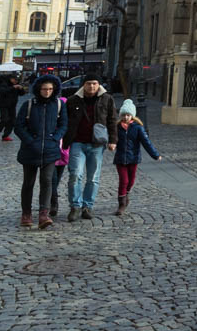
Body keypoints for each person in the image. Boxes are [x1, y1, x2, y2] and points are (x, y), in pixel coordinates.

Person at [14, 75, 67, 228]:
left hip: (50, 150)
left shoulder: (58, 105)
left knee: (47, 181)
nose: (47, 92)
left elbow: (63, 125)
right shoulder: (29, 104)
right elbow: (19, 126)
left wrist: (55, 138)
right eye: (44, 89)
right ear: (39, 89)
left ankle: (44, 213)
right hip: (30, 151)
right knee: (28, 183)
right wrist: (30, 141)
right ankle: (26, 213)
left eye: (50, 89)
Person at [63, 75, 117, 222]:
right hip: (77, 142)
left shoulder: (107, 99)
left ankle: (87, 206)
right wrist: (64, 139)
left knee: (93, 178)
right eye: (88, 83)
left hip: (97, 144)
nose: (92, 86)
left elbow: (112, 120)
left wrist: (113, 140)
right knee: (75, 175)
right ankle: (75, 206)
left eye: (94, 83)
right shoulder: (73, 100)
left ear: (99, 84)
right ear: (83, 85)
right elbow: (65, 120)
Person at [112, 99, 161, 215]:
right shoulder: (117, 127)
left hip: (133, 158)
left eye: (128, 115)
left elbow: (146, 142)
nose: (126, 117)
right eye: (123, 115)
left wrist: (155, 155)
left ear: (132, 116)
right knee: (123, 180)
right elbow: (112, 139)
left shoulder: (138, 128)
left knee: (131, 180)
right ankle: (122, 204)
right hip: (120, 159)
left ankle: (127, 193)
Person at [49, 93, 70, 218]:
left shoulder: (67, 123)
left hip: (63, 154)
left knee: (55, 180)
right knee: (52, 179)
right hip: (51, 153)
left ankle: (50, 197)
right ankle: (53, 202)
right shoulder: (51, 121)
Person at [0, 73, 24, 141]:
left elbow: (22, 94)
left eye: (17, 80)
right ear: (11, 79)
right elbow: (2, 91)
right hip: (4, 105)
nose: (16, 81)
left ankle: (5, 136)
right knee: (4, 120)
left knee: (12, 121)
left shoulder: (17, 84)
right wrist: (13, 87)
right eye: (14, 80)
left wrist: (21, 89)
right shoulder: (4, 84)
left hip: (12, 106)